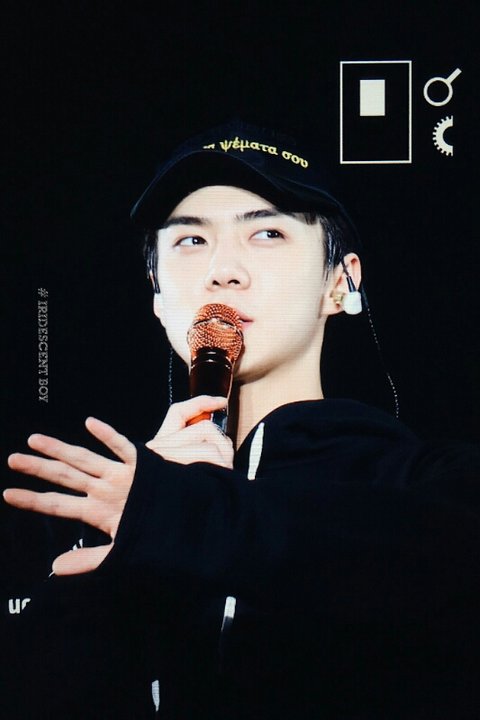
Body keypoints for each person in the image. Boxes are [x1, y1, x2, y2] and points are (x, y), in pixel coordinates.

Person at [4, 120, 480, 719]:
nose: (223, 271)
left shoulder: (423, 481)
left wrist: (188, 518)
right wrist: (120, 566)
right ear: (157, 295)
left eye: (267, 233)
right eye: (190, 240)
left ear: (342, 282)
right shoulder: (116, 508)